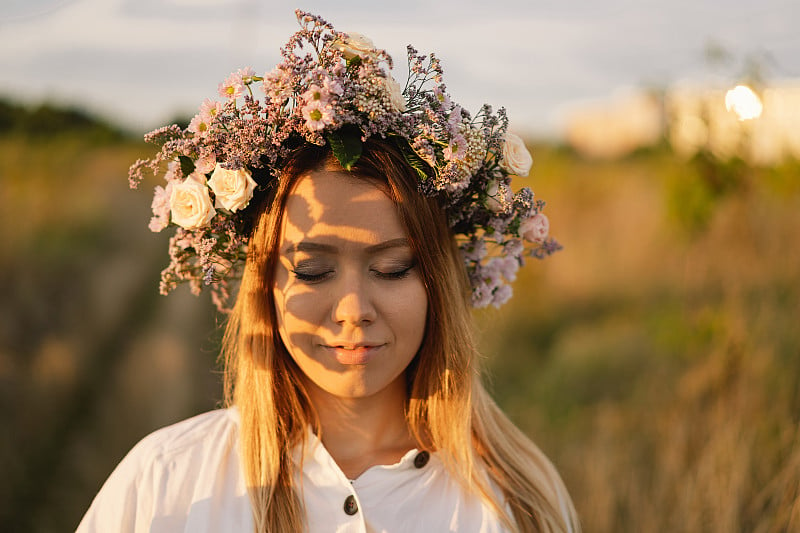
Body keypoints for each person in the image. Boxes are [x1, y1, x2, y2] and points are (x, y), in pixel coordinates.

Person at [78, 10, 579, 533]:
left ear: (439, 282)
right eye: (314, 270)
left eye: (392, 268)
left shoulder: (514, 502)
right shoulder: (164, 483)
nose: (354, 310)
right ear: (266, 285)